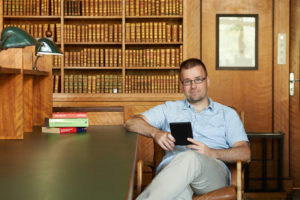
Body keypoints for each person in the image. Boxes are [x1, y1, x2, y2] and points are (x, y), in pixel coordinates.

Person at [124, 58, 251, 200]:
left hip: (212, 174)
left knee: (190, 157)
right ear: (181, 85)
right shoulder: (169, 109)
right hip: (172, 172)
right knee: (179, 193)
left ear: (207, 81)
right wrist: (156, 133)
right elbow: (131, 122)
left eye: (198, 80)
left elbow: (245, 153)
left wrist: (212, 153)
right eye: (187, 81)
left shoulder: (227, 114)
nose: (193, 86)